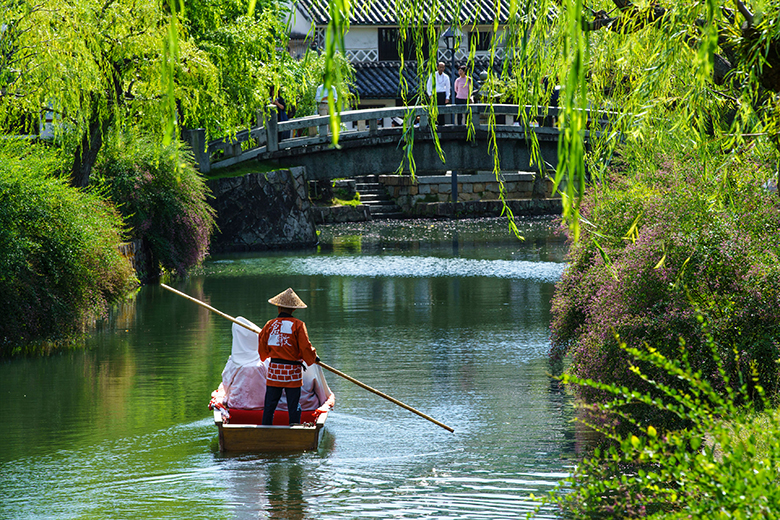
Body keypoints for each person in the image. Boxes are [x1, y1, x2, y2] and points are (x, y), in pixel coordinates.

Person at [258, 288, 319, 425]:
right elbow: (305, 347)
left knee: (269, 405)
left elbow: (262, 346)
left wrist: (266, 355)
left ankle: (265, 429)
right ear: (293, 309)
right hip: (292, 371)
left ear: (279, 307)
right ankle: (294, 430)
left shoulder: (269, 324)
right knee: (294, 405)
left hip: (275, 370)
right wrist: (313, 356)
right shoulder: (298, 325)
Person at [208, 317, 267, 418]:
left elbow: (226, 383)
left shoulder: (234, 362)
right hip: (263, 404)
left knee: (223, 390)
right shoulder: (265, 360)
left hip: (237, 405)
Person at [426, 62, 451, 126]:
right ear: (437, 67)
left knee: (442, 111)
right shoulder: (433, 75)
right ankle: (433, 124)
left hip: (442, 95)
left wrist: (447, 97)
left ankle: (441, 125)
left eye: (443, 67)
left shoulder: (446, 77)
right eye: (440, 67)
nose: (441, 69)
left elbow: (448, 87)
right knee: (433, 110)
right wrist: (429, 94)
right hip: (434, 94)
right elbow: (428, 85)